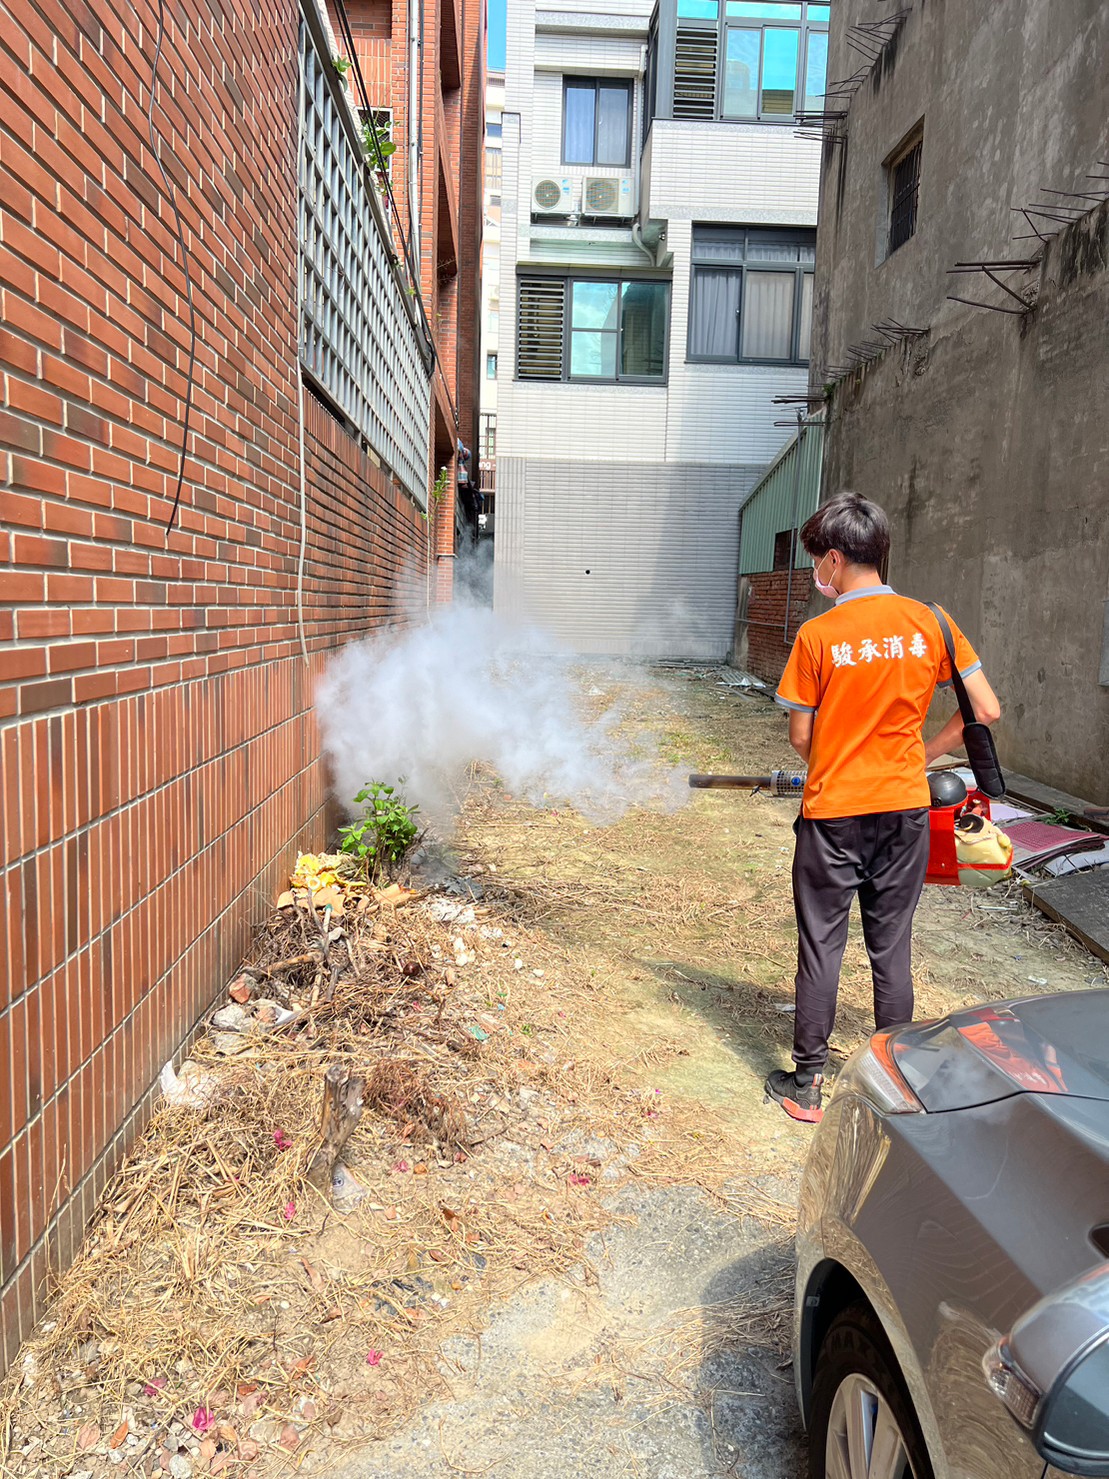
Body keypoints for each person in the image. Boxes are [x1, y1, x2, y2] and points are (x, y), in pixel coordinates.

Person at [766, 493, 1001, 1123]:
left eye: (817, 560)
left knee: (822, 944)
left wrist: (842, 754)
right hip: (905, 809)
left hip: (834, 812)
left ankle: (807, 1085)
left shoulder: (819, 635)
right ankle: (899, 1080)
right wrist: (922, 753)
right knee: (890, 945)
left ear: (834, 560)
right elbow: (985, 709)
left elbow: (800, 735)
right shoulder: (932, 623)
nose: (817, 572)